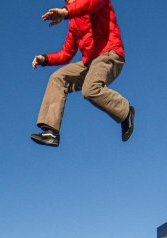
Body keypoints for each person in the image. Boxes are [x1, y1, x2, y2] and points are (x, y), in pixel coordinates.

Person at [30, 0, 135, 147]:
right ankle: (51, 132)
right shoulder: (73, 23)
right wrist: (45, 59)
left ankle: (125, 111)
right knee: (58, 78)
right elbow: (67, 53)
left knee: (90, 89)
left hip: (109, 53)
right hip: (90, 63)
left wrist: (66, 12)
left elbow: (88, 4)